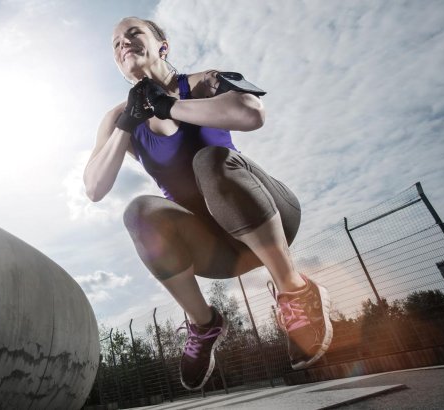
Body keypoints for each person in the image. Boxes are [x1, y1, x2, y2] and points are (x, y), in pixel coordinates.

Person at [83, 17, 333, 391]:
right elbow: (94, 187)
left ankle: (294, 291)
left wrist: (170, 106)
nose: (124, 44)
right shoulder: (119, 118)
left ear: (162, 45)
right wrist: (127, 123)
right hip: (215, 253)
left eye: (134, 34)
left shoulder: (204, 81)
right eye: (116, 43)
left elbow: (251, 113)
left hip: (267, 214)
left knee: (209, 161)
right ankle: (203, 324)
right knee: (139, 211)